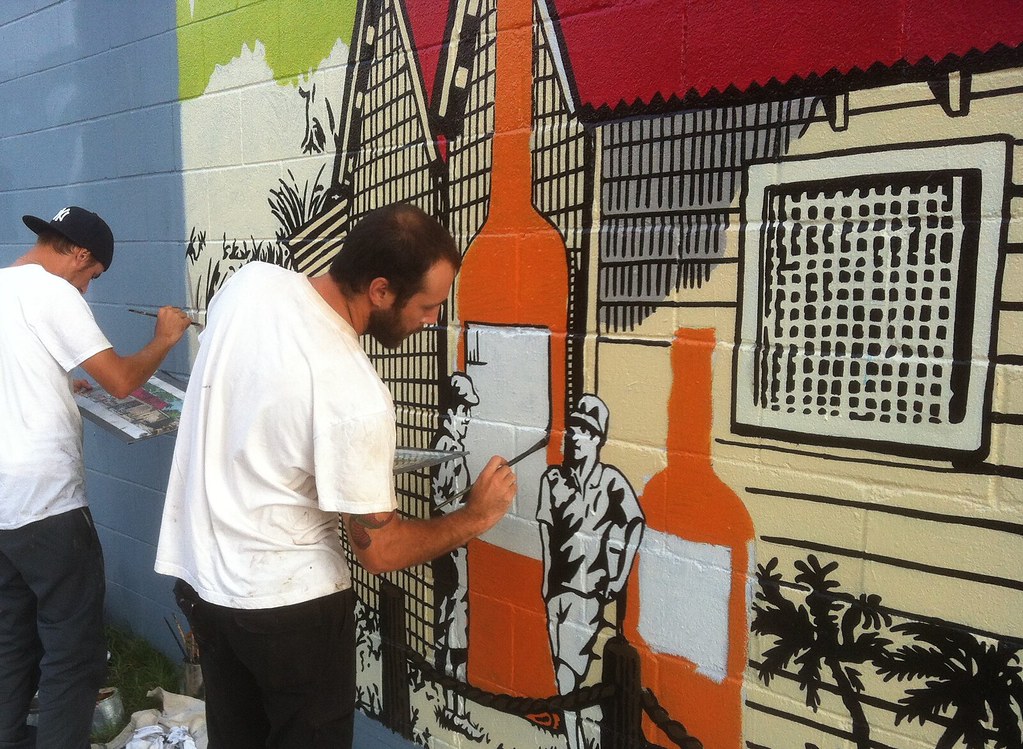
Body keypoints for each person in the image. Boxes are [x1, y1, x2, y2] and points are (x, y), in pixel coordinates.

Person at [155, 203, 517, 749]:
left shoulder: (249, 284)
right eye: (427, 305)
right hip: (291, 611)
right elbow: (379, 549)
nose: (432, 320)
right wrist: (475, 516)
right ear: (380, 290)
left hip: (208, 587)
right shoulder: (355, 394)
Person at [0, 206, 192, 749]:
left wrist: (63, 387)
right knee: (73, 649)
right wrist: (165, 337)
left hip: (3, 503)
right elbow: (124, 381)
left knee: (12, 640)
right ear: (80, 254)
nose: (86, 290)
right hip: (46, 503)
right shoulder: (53, 292)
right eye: (93, 277)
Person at [537, 393, 646, 749]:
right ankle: (577, 737)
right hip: (558, 590)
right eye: (572, 429)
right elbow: (544, 532)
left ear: (598, 438)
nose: (574, 436)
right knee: (564, 671)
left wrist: (620, 573)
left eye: (583, 430)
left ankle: (577, 738)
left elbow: (636, 523)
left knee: (574, 670)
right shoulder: (552, 480)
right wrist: (545, 583)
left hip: (592, 591)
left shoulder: (610, 481)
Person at [429, 372, 484, 738]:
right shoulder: (450, 452)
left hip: (445, 550)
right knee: (457, 633)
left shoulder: (443, 446)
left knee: (449, 626)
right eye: (464, 411)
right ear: (451, 411)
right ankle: (457, 709)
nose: (468, 419)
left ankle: (452, 705)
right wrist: (478, 502)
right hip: (452, 551)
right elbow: (447, 508)